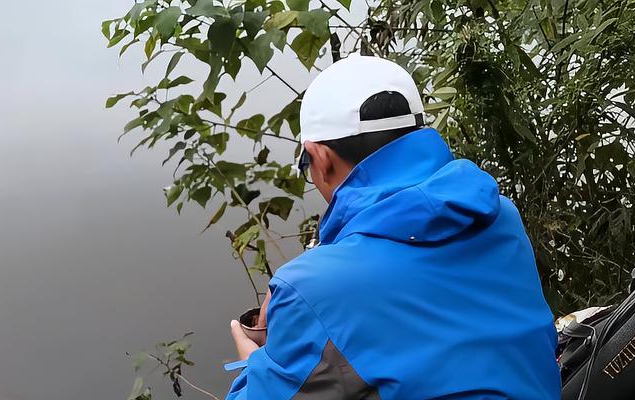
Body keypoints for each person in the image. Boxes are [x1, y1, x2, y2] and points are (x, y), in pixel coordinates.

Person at [225, 55, 560, 399]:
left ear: (320, 158)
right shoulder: (500, 215)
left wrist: (256, 363)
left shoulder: (312, 287)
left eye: (305, 162)